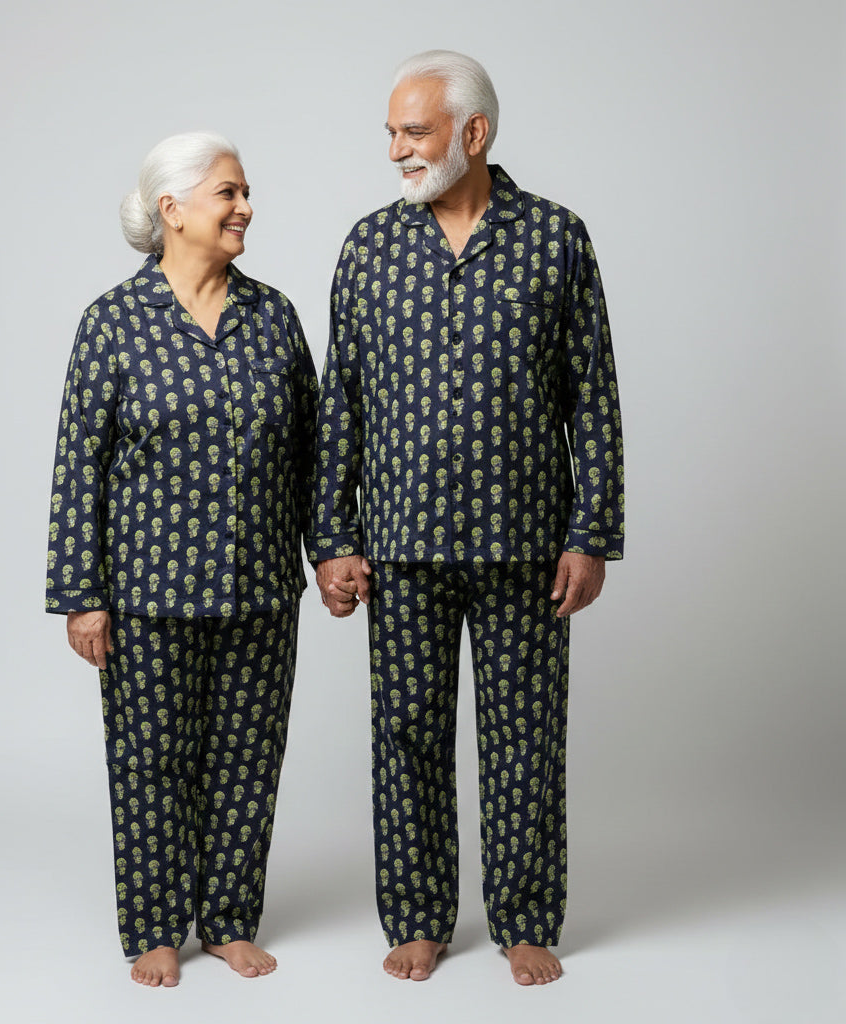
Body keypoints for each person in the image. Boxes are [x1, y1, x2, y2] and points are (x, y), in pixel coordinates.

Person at [309, 51, 624, 986]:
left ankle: (524, 917)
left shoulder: (557, 239)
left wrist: (590, 533)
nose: (398, 150)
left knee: (526, 733)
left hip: (526, 544)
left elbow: (593, 400)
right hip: (401, 547)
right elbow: (343, 406)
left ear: (473, 135)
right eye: (393, 134)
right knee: (406, 732)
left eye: (415, 131)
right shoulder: (369, 246)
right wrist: (332, 539)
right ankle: (417, 916)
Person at [45, 132, 317, 987]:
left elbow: (315, 448)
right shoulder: (112, 322)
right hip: (147, 595)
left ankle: (230, 919)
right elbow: (76, 465)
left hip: (261, 589)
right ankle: (157, 927)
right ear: (173, 209)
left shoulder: (274, 315)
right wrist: (82, 597)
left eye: (245, 193)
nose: (245, 207)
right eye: (228, 193)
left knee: (249, 757)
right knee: (151, 761)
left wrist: (333, 551)